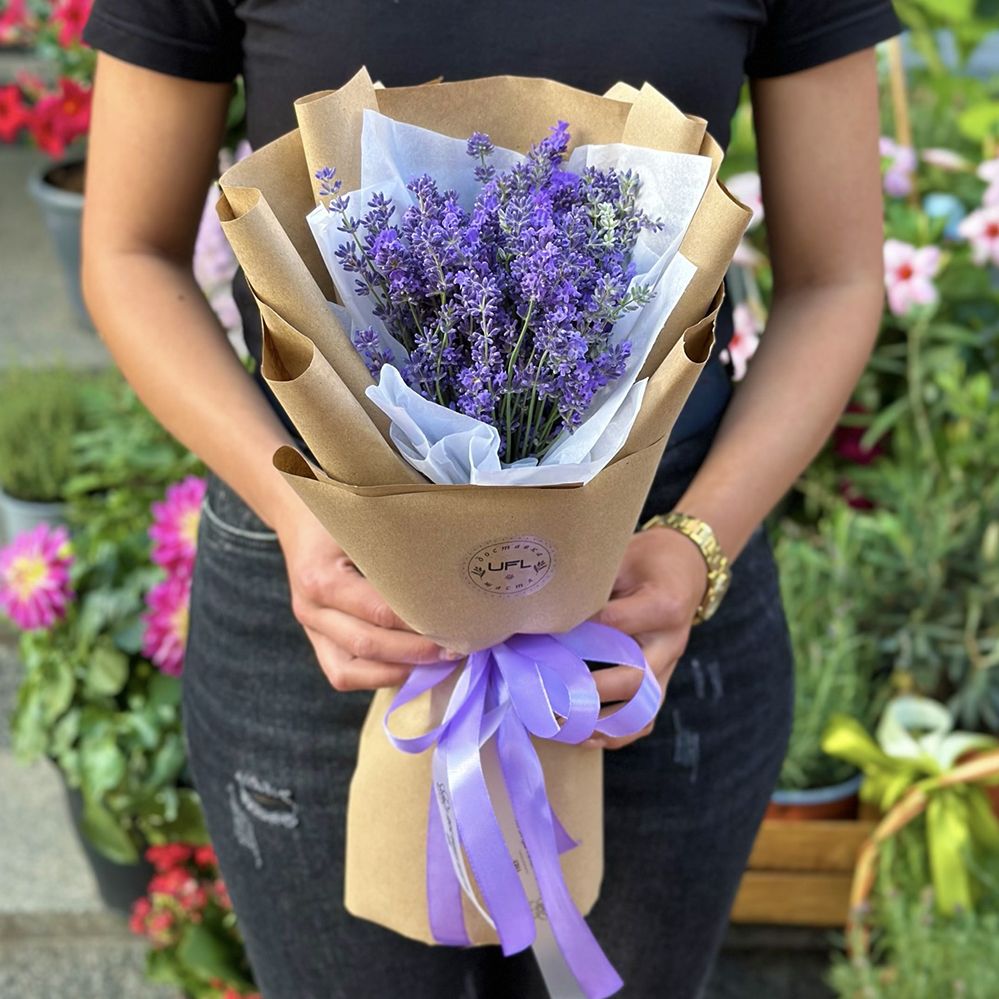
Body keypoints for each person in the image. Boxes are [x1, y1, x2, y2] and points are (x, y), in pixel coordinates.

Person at [80, 3, 899, 996]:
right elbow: (129, 252)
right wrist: (297, 512)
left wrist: (698, 543)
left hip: (651, 601)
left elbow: (836, 279)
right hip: (331, 596)